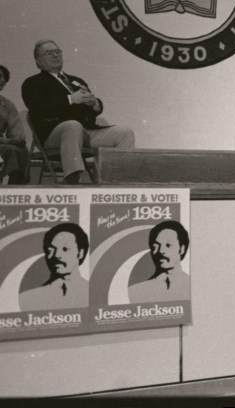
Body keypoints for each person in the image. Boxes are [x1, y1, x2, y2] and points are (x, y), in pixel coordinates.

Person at [21, 39, 136, 184]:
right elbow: (40, 106)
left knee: (124, 132)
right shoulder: (32, 83)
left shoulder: (76, 80)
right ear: (39, 62)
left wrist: (95, 104)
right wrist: (71, 99)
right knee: (72, 125)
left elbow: (92, 109)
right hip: (53, 134)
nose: (55, 56)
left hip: (86, 131)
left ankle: (119, 180)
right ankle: (72, 178)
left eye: (57, 52)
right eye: (48, 53)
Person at [18, 222, 89, 311]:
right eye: (50, 250)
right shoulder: (27, 299)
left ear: (80, 253)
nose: (57, 255)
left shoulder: (94, 294)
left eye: (65, 249)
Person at [128, 220, 191, 304]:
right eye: (155, 246)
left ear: (182, 249)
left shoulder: (194, 287)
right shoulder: (135, 292)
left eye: (168, 245)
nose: (161, 251)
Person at [0, 65, 29, 184]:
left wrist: (18, 139)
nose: (2, 80)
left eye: (4, 78)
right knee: (11, 150)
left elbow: (16, 130)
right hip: (3, 145)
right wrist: (6, 142)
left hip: (2, 145)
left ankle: (17, 187)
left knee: (22, 150)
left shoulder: (7, 105)